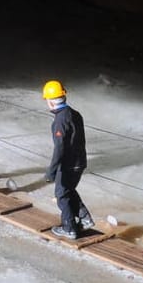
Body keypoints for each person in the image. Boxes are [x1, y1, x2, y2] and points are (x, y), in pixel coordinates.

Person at [42, 79, 95, 239]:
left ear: (51, 101)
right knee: (68, 190)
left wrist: (51, 171)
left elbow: (60, 148)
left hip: (68, 164)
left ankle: (69, 228)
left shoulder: (60, 121)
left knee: (61, 195)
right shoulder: (74, 114)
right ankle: (85, 218)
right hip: (80, 161)